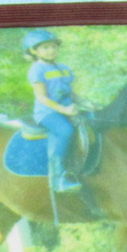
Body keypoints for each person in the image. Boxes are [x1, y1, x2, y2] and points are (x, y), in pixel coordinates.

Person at [23, 29, 81, 193]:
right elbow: (42, 97)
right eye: (45, 47)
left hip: (67, 109)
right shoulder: (37, 70)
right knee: (65, 131)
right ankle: (58, 178)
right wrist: (64, 110)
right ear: (34, 51)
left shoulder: (64, 68)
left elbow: (71, 93)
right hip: (48, 113)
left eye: (54, 46)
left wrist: (86, 103)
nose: (51, 50)